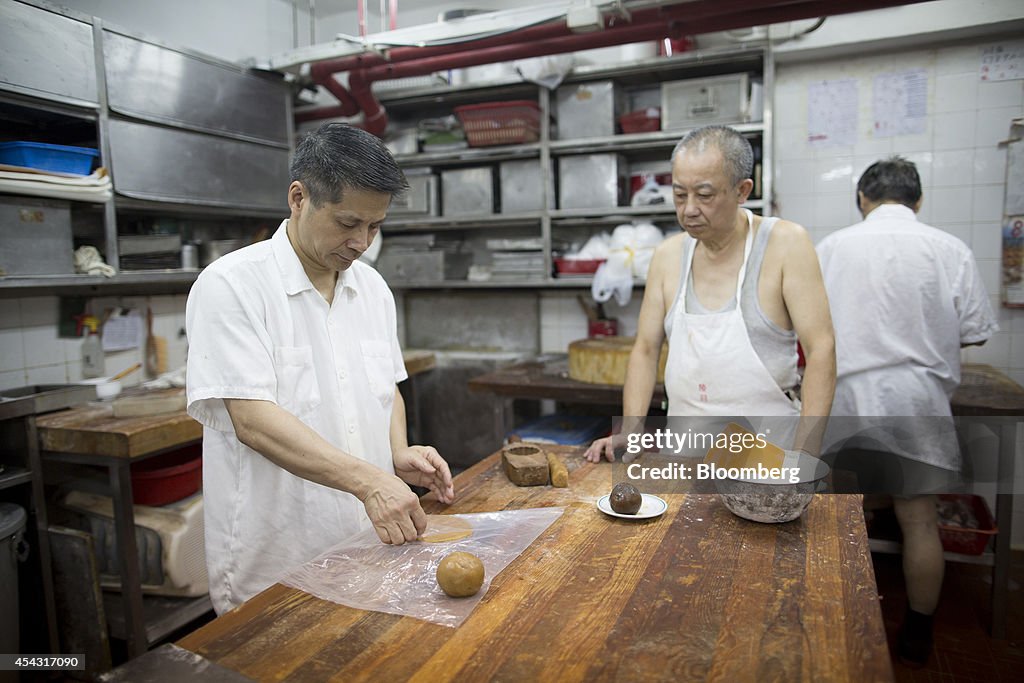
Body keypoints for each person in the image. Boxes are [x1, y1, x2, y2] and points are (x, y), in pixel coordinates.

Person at [185, 122, 455, 614]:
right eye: (348, 222)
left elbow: (386, 387)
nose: (361, 242)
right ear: (298, 198)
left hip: (367, 540)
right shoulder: (231, 285)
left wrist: (395, 452)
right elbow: (252, 420)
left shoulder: (371, 288)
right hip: (279, 558)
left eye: (374, 227)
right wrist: (370, 481)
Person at [816, 156, 997, 667]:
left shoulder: (832, 248)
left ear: (862, 199)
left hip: (848, 396)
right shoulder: (950, 248)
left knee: (840, 518)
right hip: (919, 398)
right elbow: (976, 331)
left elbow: (805, 327)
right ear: (917, 201)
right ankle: (918, 632)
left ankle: (836, 620)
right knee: (918, 519)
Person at [585, 124, 835, 461]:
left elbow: (821, 349)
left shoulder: (785, 244)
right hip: (686, 454)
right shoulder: (668, 255)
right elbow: (645, 349)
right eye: (679, 194)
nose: (689, 209)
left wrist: (805, 456)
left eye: (704, 195)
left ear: (742, 190)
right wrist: (630, 431)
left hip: (771, 454)